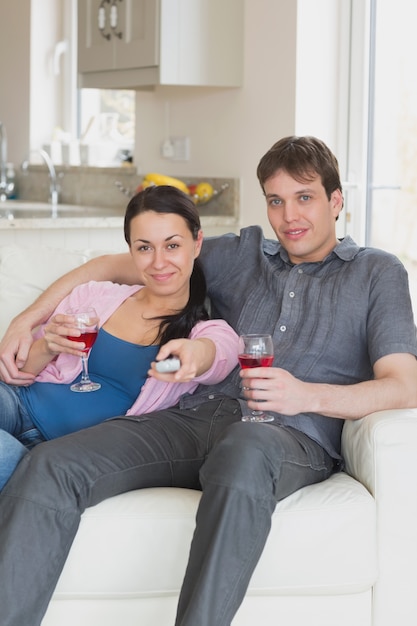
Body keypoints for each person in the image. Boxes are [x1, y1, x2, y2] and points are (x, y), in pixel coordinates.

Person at [1, 135, 417, 626]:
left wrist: (307, 395)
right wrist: (25, 321)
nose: (289, 216)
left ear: (336, 201)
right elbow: (109, 266)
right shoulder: (242, 255)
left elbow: (404, 385)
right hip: (191, 417)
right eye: (276, 201)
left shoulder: (377, 272)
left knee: (244, 450)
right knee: (52, 464)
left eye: (304, 198)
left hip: (287, 435)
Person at [0, 184, 239, 489]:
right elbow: (17, 374)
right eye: (144, 247)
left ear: (197, 243)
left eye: (172, 246)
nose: (158, 262)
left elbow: (220, 353)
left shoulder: (204, 331)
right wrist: (47, 346)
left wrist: (195, 355)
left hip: (54, 453)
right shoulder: (95, 296)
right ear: (131, 252)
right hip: (17, 403)